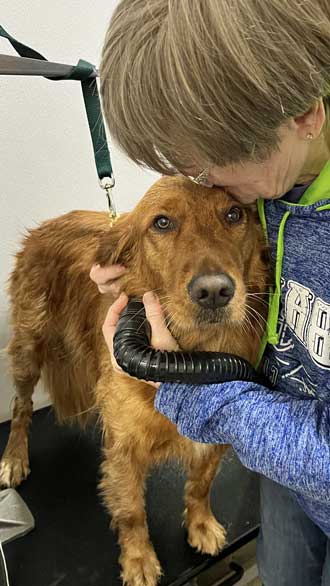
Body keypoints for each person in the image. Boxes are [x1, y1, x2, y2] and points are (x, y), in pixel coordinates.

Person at [91, 2, 330, 584]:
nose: (202, 179)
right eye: (183, 159)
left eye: (215, 156)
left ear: (304, 113)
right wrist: (144, 267)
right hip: (281, 473)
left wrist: (199, 392)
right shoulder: (276, 177)